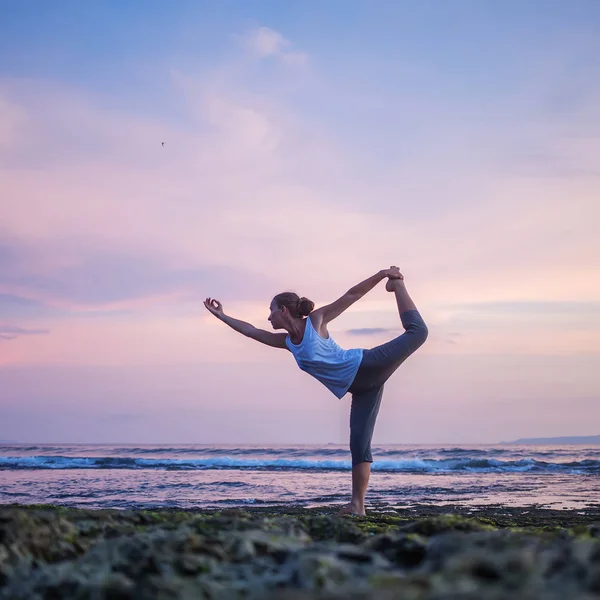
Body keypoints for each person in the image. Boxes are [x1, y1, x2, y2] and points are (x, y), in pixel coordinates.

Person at [203, 266, 428, 516]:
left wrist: (383, 275)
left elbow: (351, 296)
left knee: (419, 333)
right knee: (359, 446)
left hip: (365, 366)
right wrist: (221, 316)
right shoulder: (288, 343)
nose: (269, 318)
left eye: (271, 312)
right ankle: (358, 507)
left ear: (283, 310)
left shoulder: (316, 321)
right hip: (361, 389)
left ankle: (397, 284)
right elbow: (251, 331)